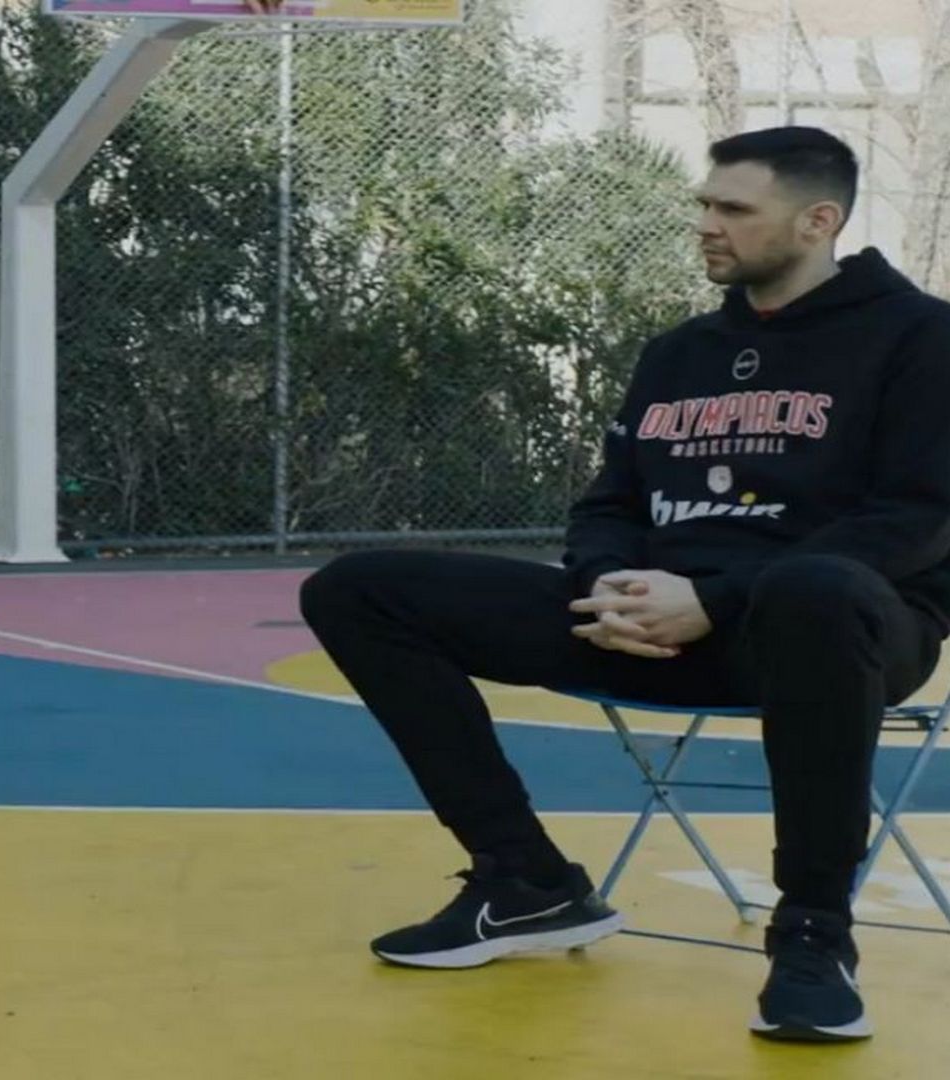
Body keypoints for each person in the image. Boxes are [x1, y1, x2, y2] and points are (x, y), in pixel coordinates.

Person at [299, 126, 950, 1043]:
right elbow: (609, 504)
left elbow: (918, 520)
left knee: (813, 589)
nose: (707, 224)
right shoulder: (679, 352)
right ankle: (525, 879)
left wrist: (714, 601)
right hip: (652, 623)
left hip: (836, 634)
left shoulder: (922, 336)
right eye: (705, 204)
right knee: (358, 590)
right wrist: (609, 585)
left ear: (818, 221)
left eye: (734, 209)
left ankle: (813, 935)